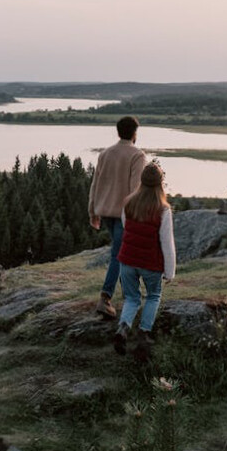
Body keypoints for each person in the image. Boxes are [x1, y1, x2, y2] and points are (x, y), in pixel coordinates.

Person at [112, 162, 176, 359]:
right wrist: (170, 271)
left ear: (141, 181)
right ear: (160, 184)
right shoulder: (163, 209)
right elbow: (166, 241)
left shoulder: (129, 203)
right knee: (154, 295)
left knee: (131, 297)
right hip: (150, 263)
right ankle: (143, 333)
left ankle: (123, 328)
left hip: (127, 260)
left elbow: (125, 226)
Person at [88, 116, 147, 319]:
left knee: (120, 253)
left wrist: (92, 211)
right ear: (134, 133)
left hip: (105, 211)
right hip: (124, 214)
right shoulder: (137, 155)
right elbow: (135, 190)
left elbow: (95, 185)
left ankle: (128, 294)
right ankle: (105, 298)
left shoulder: (105, 154)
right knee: (119, 254)